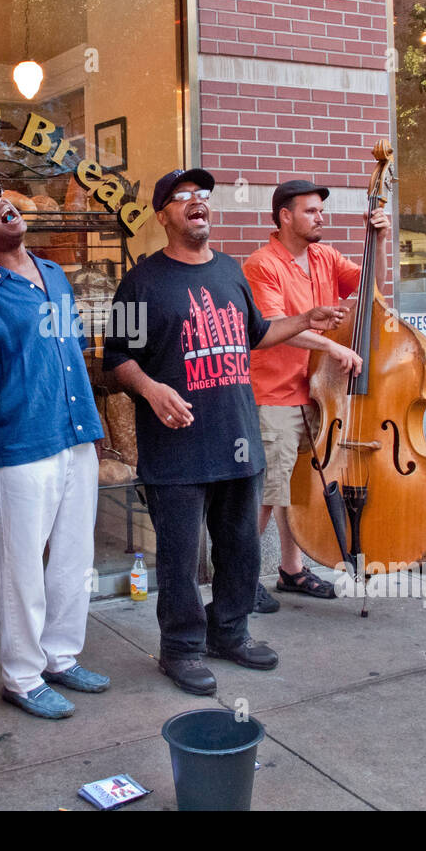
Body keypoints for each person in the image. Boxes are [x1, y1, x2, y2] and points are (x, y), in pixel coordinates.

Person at [103, 168, 344, 695]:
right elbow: (116, 360)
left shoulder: (231, 270)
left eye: (203, 196)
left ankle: (230, 632)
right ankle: (181, 649)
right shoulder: (143, 282)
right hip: (176, 449)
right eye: (183, 197)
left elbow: (257, 335)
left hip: (238, 438)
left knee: (239, 550)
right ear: (163, 214)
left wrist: (306, 318)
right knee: (181, 557)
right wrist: (151, 389)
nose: (198, 203)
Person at [0, 177, 110, 720]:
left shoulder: (57, 275)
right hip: (19, 439)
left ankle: (61, 656)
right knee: (19, 564)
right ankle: (21, 675)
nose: (3, 207)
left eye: (4, 201)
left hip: (75, 432)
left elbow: (71, 350)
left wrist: (90, 423)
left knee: (72, 557)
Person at [243, 179, 389, 608]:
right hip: (274, 395)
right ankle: (242, 577)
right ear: (285, 216)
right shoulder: (261, 264)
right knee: (269, 494)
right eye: (310, 211)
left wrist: (377, 240)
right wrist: (334, 346)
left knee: (300, 492)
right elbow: (273, 327)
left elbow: (371, 289)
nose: (320, 217)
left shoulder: (324, 256)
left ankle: (291, 570)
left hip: (320, 394)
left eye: (321, 211)